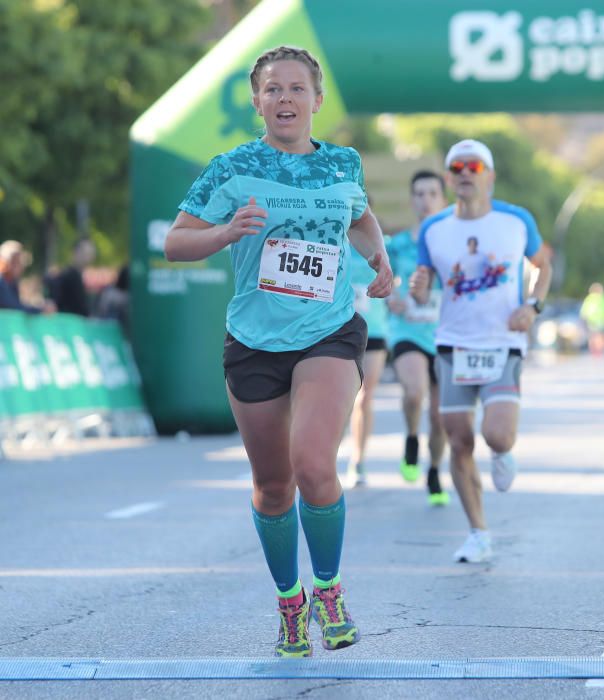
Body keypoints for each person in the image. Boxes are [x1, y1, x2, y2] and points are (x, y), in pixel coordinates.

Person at [164, 46, 393, 658]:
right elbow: (175, 243)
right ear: (257, 101)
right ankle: (290, 603)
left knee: (314, 465)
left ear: (317, 101)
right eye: (272, 90)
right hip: (254, 340)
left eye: (296, 89)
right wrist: (224, 232)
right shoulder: (231, 167)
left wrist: (380, 256)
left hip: (329, 328)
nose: (285, 99)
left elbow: (361, 217)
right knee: (272, 485)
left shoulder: (342, 163)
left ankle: (329, 590)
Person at [410, 139, 552, 563]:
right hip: (454, 345)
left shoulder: (515, 220)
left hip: (502, 344)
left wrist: (533, 305)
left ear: (488, 175)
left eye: (474, 166)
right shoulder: (434, 229)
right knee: (459, 441)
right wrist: (418, 293)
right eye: (457, 167)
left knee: (497, 434)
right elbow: (423, 290)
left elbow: (544, 263)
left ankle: (504, 452)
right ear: (450, 176)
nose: (465, 172)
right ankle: (478, 532)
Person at [386, 170, 449, 505]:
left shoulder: (454, 244)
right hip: (408, 329)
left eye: (432, 193)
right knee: (414, 393)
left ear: (444, 199)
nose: (425, 200)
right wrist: (388, 298)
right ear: (412, 200)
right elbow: (378, 278)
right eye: (419, 194)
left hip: (445, 334)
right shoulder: (398, 245)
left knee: (441, 417)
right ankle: (411, 436)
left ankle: (435, 470)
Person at [344, 234, 389, 488]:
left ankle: (357, 460)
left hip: (374, 331)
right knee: (339, 398)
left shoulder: (384, 247)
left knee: (364, 397)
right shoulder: (333, 243)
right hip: (339, 331)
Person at [0, 240, 56, 314]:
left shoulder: (12, 283)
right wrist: (41, 309)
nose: (20, 266)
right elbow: (13, 307)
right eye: (16, 262)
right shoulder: (2, 283)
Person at [52, 238, 96, 316]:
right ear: (75, 252)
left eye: (90, 254)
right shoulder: (72, 276)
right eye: (85, 253)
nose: (88, 257)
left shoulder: (70, 274)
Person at [580, 282, 604, 356]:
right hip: (593, 322)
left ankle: (601, 350)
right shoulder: (590, 299)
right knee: (596, 337)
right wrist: (584, 320)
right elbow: (585, 311)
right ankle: (596, 352)